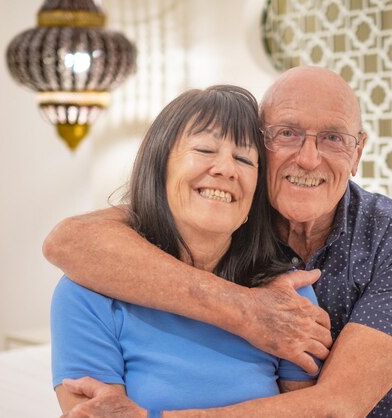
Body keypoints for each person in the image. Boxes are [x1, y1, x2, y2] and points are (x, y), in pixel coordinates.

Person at [44, 66, 392, 417]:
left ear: (358, 153)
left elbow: (334, 407)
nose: (307, 158)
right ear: (265, 147)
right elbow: (70, 240)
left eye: (333, 138)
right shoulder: (228, 217)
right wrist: (246, 310)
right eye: (287, 133)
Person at [50, 85, 322, 415]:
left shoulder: (287, 297)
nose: (226, 169)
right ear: (159, 169)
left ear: (255, 199)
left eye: (243, 158)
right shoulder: (87, 294)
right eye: (205, 150)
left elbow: (306, 411)